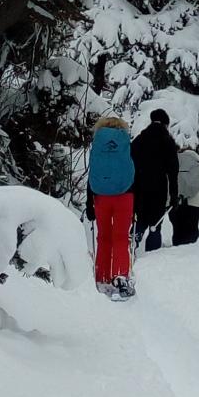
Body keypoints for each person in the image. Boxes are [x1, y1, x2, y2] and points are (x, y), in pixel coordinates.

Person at [86, 116, 136, 297]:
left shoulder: (98, 143)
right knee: (121, 237)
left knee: (104, 237)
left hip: (100, 195)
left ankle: (102, 277)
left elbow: (92, 172)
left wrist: (89, 202)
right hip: (125, 195)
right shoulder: (125, 142)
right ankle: (121, 275)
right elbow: (134, 170)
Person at [131, 108, 179, 251]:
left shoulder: (139, 139)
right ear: (165, 123)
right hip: (159, 187)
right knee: (155, 224)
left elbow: (130, 162)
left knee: (141, 218)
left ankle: (132, 245)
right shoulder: (168, 141)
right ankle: (151, 256)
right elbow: (173, 171)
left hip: (139, 185)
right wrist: (174, 195)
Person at [169, 147, 199, 246]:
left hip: (175, 203)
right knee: (191, 230)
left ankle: (176, 251)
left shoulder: (173, 162)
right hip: (194, 204)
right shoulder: (198, 165)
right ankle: (190, 254)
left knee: (177, 230)